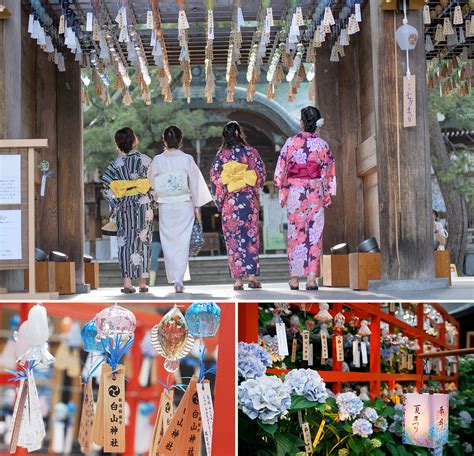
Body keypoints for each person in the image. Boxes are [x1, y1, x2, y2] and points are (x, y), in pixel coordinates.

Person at [274, 106, 336, 290]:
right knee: (315, 234)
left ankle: (294, 278)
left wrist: (283, 190)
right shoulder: (323, 146)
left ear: (302, 122)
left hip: (296, 192)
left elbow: (281, 169)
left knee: (295, 233)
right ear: (317, 124)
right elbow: (328, 173)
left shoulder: (291, 143)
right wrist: (326, 195)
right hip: (315, 192)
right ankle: (310, 278)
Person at [148, 125, 212, 293]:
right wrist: (197, 205)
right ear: (180, 140)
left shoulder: (158, 160)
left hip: (166, 205)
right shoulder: (187, 159)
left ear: (164, 141)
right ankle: (179, 279)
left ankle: (176, 278)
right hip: (184, 203)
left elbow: (151, 183)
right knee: (182, 243)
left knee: (169, 243)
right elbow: (196, 182)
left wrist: (156, 197)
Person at [210, 121, 266, 290]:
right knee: (250, 237)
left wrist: (220, 201)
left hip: (231, 203)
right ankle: (252, 278)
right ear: (239, 134)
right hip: (248, 200)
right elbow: (260, 174)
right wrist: (254, 190)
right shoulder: (251, 152)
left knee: (233, 241)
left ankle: (238, 281)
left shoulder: (220, 156)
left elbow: (216, 181)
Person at [102, 127, 154, 293]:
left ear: (118, 144)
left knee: (125, 242)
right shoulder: (146, 160)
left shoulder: (115, 165)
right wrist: (152, 200)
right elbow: (154, 183)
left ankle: (126, 282)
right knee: (143, 240)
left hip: (124, 205)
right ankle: (143, 283)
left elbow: (107, 188)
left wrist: (116, 204)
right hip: (143, 204)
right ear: (134, 141)